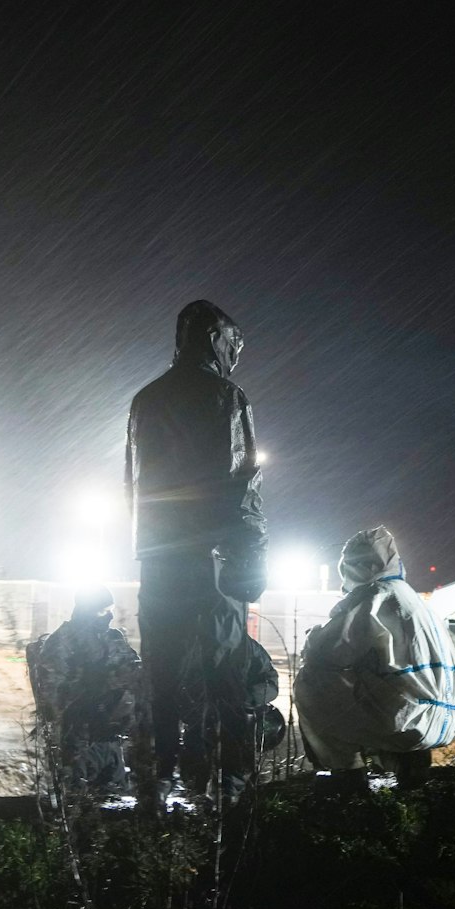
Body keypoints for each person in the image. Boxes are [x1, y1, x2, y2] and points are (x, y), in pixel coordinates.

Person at [126, 300, 268, 800]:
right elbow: (241, 482)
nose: (234, 354)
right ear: (214, 339)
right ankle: (230, 781)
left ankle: (157, 777)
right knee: (226, 673)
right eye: (233, 343)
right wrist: (252, 553)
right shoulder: (226, 396)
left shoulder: (145, 399)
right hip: (213, 559)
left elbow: (133, 485)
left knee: (160, 673)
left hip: (160, 557)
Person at [293, 528, 455, 791]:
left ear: (354, 566)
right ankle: (411, 766)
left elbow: (324, 653)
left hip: (406, 722)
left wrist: (314, 634)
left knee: (312, 679)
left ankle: (346, 772)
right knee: (386, 677)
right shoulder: (416, 602)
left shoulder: (374, 597)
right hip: (445, 723)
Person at [28, 586, 144, 796]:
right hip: (79, 740)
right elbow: (52, 693)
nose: (108, 615)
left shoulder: (113, 638)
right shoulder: (62, 641)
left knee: (117, 801)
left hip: (112, 736)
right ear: (87, 609)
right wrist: (95, 690)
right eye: (102, 610)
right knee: (78, 802)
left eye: (110, 609)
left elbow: (134, 673)